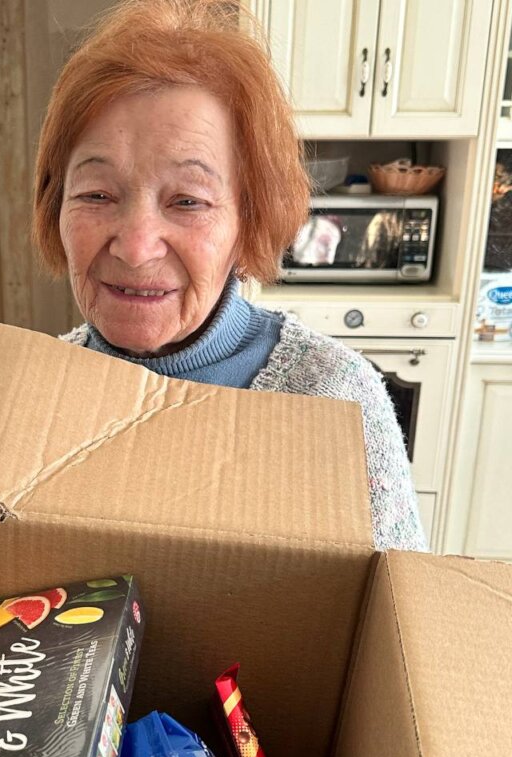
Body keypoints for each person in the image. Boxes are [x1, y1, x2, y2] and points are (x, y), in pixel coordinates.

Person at [32, 0, 427, 552]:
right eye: (96, 195)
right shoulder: (32, 392)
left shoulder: (333, 399)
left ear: (249, 219)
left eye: (188, 201)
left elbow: (396, 598)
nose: (137, 248)